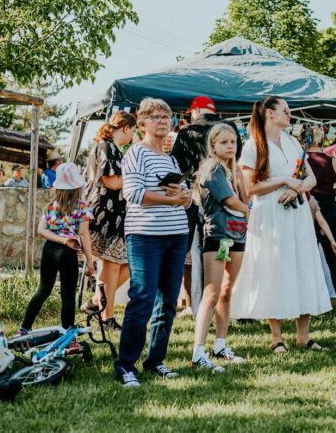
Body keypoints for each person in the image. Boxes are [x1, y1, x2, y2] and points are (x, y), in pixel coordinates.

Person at [229, 96, 331, 354]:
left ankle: (303, 336)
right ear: (270, 114)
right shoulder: (253, 146)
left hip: (296, 213)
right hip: (269, 214)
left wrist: (296, 190)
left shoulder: (293, 141)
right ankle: (276, 338)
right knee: (274, 268)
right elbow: (250, 187)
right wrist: (285, 180)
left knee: (302, 264)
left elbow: (310, 178)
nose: (290, 115)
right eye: (285, 111)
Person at [114, 98, 190, 387]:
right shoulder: (136, 153)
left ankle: (156, 360)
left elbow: (184, 196)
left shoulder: (171, 159)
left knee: (168, 301)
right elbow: (132, 193)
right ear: (142, 123)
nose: (162, 121)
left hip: (176, 234)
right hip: (145, 235)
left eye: (166, 116)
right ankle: (125, 365)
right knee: (142, 298)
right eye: (155, 117)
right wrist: (172, 199)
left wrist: (185, 197)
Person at [171, 96, 242, 318]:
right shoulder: (229, 128)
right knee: (232, 248)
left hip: (198, 196)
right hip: (228, 193)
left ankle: (199, 307)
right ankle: (230, 305)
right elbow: (235, 160)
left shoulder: (186, 133)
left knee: (199, 250)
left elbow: (177, 166)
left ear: (194, 112)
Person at [190, 124, 250, 372]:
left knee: (227, 291)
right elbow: (232, 202)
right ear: (213, 145)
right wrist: (248, 210)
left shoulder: (231, 171)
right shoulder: (212, 169)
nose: (230, 146)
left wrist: (240, 181)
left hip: (237, 234)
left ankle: (220, 344)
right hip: (219, 236)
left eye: (233, 142)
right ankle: (198, 352)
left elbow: (243, 199)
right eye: (224, 142)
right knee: (212, 293)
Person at [19, 163, 95, 333]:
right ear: (78, 187)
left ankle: (25, 327)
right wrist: (89, 260)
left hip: (49, 251)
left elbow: (41, 230)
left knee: (43, 289)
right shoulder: (82, 207)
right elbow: (83, 234)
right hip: (67, 254)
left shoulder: (51, 206)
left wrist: (60, 240)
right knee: (68, 295)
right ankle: (68, 333)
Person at [82, 110, 137, 330]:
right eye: (133, 131)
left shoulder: (112, 147)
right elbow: (112, 182)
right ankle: (106, 317)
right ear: (126, 128)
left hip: (114, 213)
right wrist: (136, 176)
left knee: (124, 263)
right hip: (105, 213)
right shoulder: (107, 147)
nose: (133, 136)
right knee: (112, 265)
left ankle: (97, 303)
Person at [306, 129, 336, 304]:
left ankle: (309, 303)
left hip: (307, 209)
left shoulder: (301, 160)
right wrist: (327, 192)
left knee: (306, 259)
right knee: (335, 260)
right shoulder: (333, 161)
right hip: (329, 210)